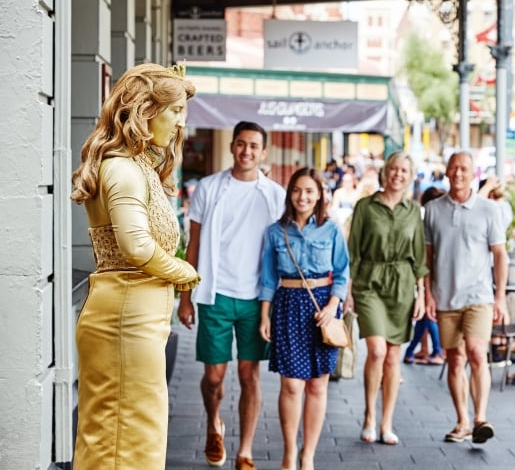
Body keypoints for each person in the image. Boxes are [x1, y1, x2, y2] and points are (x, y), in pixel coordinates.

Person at [70, 63, 201, 469]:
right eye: (175, 111)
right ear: (145, 110)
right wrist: (185, 273)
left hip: (136, 313)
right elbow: (136, 246)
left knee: (133, 431)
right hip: (126, 314)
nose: (181, 123)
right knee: (126, 434)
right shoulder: (123, 168)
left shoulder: (138, 166)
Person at [177, 121, 286, 470]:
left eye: (254, 146)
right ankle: (214, 424)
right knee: (214, 377)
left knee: (249, 375)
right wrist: (185, 296)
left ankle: (246, 451)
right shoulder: (208, 189)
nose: (246, 151)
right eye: (241, 144)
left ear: (263, 152)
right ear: (232, 147)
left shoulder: (275, 195)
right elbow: (192, 243)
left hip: (258, 298)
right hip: (215, 293)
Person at [258, 167, 350, 470]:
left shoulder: (332, 229)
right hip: (287, 306)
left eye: (310, 191)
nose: (303, 196)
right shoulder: (275, 231)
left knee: (317, 386)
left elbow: (341, 273)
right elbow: (268, 278)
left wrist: (333, 305)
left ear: (320, 195)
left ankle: (308, 454)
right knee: (292, 386)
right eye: (297, 190)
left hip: (323, 308)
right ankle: (288, 452)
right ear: (290, 193)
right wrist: (264, 315)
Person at [423, 151, 509, 444]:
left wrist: (500, 297)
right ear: (446, 172)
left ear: (474, 174)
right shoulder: (433, 209)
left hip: (479, 296)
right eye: (453, 168)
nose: (458, 173)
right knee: (455, 359)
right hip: (446, 296)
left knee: (475, 351)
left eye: (464, 168)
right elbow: (428, 258)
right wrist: (428, 294)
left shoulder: (488, 209)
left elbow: (500, 255)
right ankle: (462, 421)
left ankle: (481, 417)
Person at [346, 151, 430, 445]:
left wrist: (421, 294)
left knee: (394, 356)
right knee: (378, 351)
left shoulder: (413, 211)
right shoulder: (365, 207)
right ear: (385, 173)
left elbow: (419, 257)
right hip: (369, 282)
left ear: (410, 176)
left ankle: (386, 422)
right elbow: (352, 252)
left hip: (403, 286)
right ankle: (369, 415)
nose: (397, 174)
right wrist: (348, 291)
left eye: (404, 171)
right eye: (393, 169)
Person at [403, 186, 447, 366]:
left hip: (432, 274)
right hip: (432, 273)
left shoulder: (427, 223)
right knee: (424, 316)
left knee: (428, 315)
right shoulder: (435, 221)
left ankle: (437, 351)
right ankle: (411, 351)